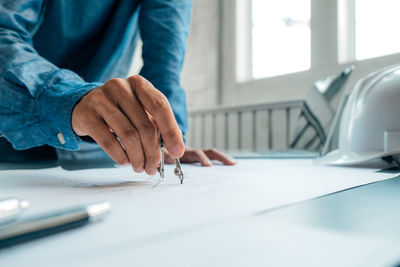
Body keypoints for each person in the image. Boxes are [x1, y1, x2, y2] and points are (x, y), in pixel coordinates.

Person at [0, 0, 236, 174]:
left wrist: (167, 138)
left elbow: (165, 62)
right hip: (8, 137)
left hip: (97, 149)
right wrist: (69, 99)